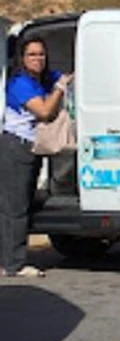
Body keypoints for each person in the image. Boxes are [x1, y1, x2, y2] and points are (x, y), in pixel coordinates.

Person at [0, 38, 72, 278]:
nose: (38, 59)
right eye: (32, 55)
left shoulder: (42, 79)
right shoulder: (20, 83)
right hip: (16, 148)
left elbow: (66, 75)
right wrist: (60, 88)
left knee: (21, 204)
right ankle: (13, 264)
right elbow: (43, 111)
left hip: (31, 149)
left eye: (41, 54)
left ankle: (9, 259)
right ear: (22, 58)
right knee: (14, 208)